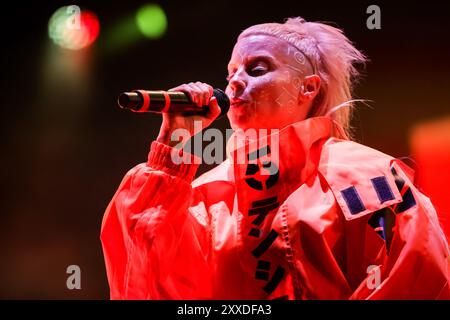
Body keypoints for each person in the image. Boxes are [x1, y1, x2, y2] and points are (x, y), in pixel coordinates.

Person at [100, 17, 450, 299]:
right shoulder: (206, 195)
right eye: (231, 72)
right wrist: (174, 144)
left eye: (256, 69)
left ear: (308, 88)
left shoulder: (368, 176)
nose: (234, 82)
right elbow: (142, 283)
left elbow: (417, 276)